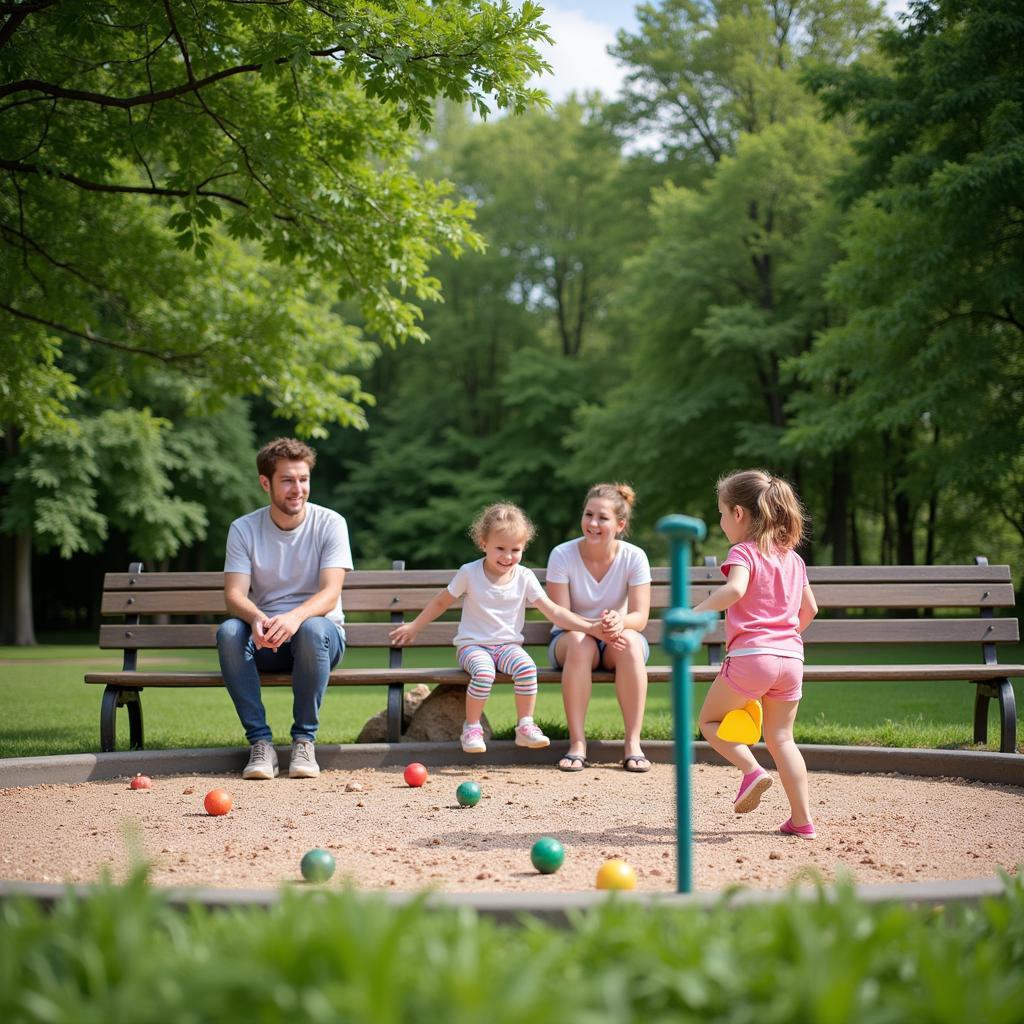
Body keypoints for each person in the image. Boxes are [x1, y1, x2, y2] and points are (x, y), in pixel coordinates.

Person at [389, 502, 606, 755]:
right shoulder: (469, 573)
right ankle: (471, 728)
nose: (508, 556)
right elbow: (441, 601)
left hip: (507, 647)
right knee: (484, 672)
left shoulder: (524, 577)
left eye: (516, 549)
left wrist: (590, 626)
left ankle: (525, 726)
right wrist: (415, 626)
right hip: (473, 646)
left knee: (527, 668)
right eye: (500, 548)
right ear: (483, 543)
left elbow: (554, 611)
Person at [216, 437, 353, 781]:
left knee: (311, 628)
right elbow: (234, 596)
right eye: (287, 480)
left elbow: (331, 592)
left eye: (303, 479)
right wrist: (258, 619)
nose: (298, 489)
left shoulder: (330, 523)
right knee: (230, 631)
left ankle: (304, 740)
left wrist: (294, 617)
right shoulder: (244, 528)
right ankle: (260, 745)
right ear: (266, 483)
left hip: (319, 638)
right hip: (268, 639)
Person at [692, 469, 819, 838]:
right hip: (791, 660)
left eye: (721, 512)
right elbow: (809, 610)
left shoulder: (743, 551)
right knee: (782, 739)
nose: (720, 520)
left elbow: (734, 590)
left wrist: (694, 614)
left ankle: (751, 771)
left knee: (710, 723)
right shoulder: (793, 559)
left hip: (751, 657)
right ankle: (802, 820)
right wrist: (783, 637)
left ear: (738, 514)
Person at [546, 483, 653, 773]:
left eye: (602, 518)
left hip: (616, 640)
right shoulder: (562, 555)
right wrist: (593, 627)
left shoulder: (634, 557)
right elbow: (560, 616)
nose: (593, 523)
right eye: (588, 514)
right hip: (572, 639)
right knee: (581, 641)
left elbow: (639, 617)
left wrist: (620, 622)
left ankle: (632, 744)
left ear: (620, 524)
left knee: (631, 642)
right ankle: (577, 744)